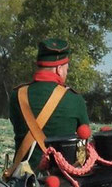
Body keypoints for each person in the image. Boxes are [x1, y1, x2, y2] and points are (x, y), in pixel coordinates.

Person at [8, 38, 90, 172]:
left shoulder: (17, 96)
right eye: (66, 69)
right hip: (62, 182)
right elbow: (83, 142)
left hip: (22, 182)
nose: (66, 73)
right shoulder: (75, 99)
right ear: (59, 69)